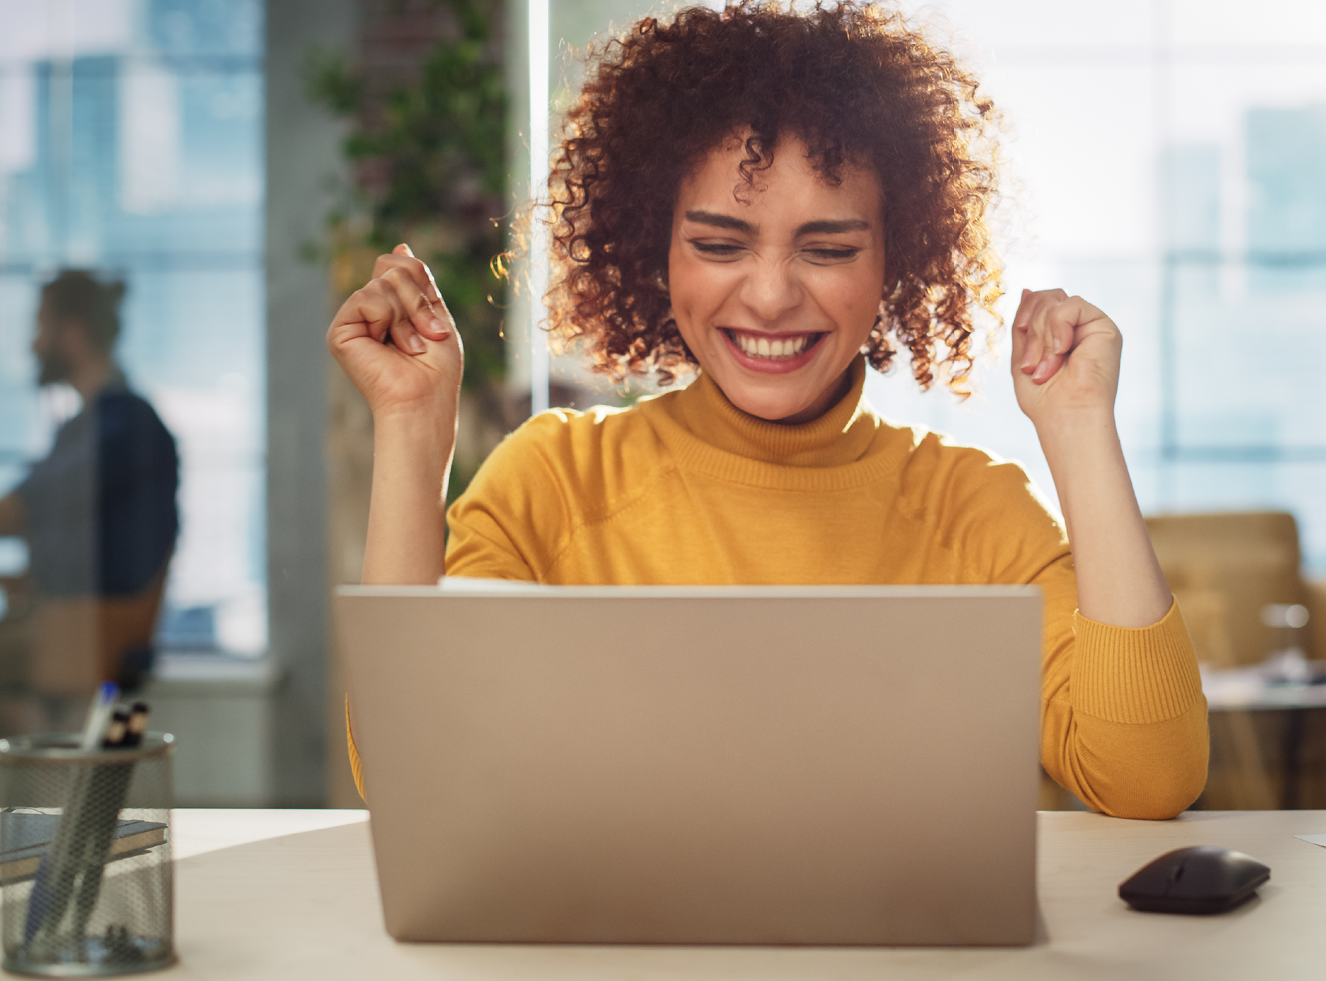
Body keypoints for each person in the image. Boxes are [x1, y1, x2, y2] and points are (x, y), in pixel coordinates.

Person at [328, 1, 1208, 818]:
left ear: (895, 261)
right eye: (719, 243)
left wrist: (1080, 427)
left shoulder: (969, 509)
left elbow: (1147, 779)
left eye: (827, 247)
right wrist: (413, 432)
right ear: (656, 250)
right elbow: (412, 772)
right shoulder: (557, 480)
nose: (773, 294)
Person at [0, 271, 178, 721]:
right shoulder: (90, 426)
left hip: (88, 631)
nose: (33, 344)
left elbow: (22, 509)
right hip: (65, 621)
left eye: (41, 326)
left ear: (73, 334)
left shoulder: (122, 426)